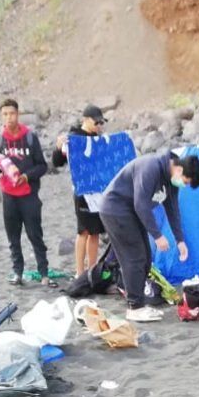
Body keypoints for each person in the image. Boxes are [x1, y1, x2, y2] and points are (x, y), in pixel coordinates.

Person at [98, 150, 199, 322]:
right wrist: (158, 235)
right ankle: (134, 307)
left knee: (146, 259)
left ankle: (139, 304)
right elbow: (140, 204)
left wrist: (180, 240)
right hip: (115, 210)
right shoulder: (151, 167)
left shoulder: (172, 183)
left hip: (132, 213)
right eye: (185, 181)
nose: (183, 185)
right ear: (179, 170)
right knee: (134, 258)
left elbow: (173, 210)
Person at [0, 98, 51, 287]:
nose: (9, 117)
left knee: (35, 234)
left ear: (18, 114)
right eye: (5, 114)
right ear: (1, 116)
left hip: (29, 194)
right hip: (8, 195)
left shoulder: (30, 137)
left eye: (12, 113)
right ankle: (17, 272)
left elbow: (42, 166)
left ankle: (43, 273)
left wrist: (26, 176)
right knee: (13, 237)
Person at [50, 104, 110, 279]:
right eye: (96, 122)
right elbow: (57, 162)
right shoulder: (74, 137)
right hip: (82, 191)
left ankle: (92, 268)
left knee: (95, 231)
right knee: (83, 231)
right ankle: (79, 271)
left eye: (101, 123)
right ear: (85, 119)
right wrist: (59, 146)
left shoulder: (98, 139)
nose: (99, 126)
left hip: (97, 191)